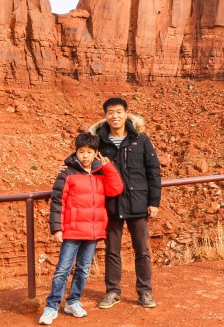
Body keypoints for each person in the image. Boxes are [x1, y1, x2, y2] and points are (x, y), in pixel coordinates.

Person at [39, 132, 124, 325]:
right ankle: (51, 306)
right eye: (81, 151)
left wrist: (108, 166)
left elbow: (116, 189)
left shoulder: (101, 173)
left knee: (83, 269)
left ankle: (73, 302)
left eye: (89, 152)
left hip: (92, 231)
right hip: (71, 230)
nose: (85, 156)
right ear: (76, 152)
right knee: (63, 269)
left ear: (96, 153)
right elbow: (57, 202)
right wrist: (57, 228)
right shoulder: (67, 173)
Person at [90, 96, 162, 309]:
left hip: (138, 203)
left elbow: (153, 171)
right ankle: (112, 292)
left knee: (142, 250)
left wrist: (154, 201)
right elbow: (81, 159)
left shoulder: (140, 139)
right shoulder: (98, 141)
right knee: (112, 250)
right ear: (105, 115)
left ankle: (145, 292)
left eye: (119, 111)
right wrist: (66, 167)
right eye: (111, 112)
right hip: (110, 204)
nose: (115, 116)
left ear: (126, 113)